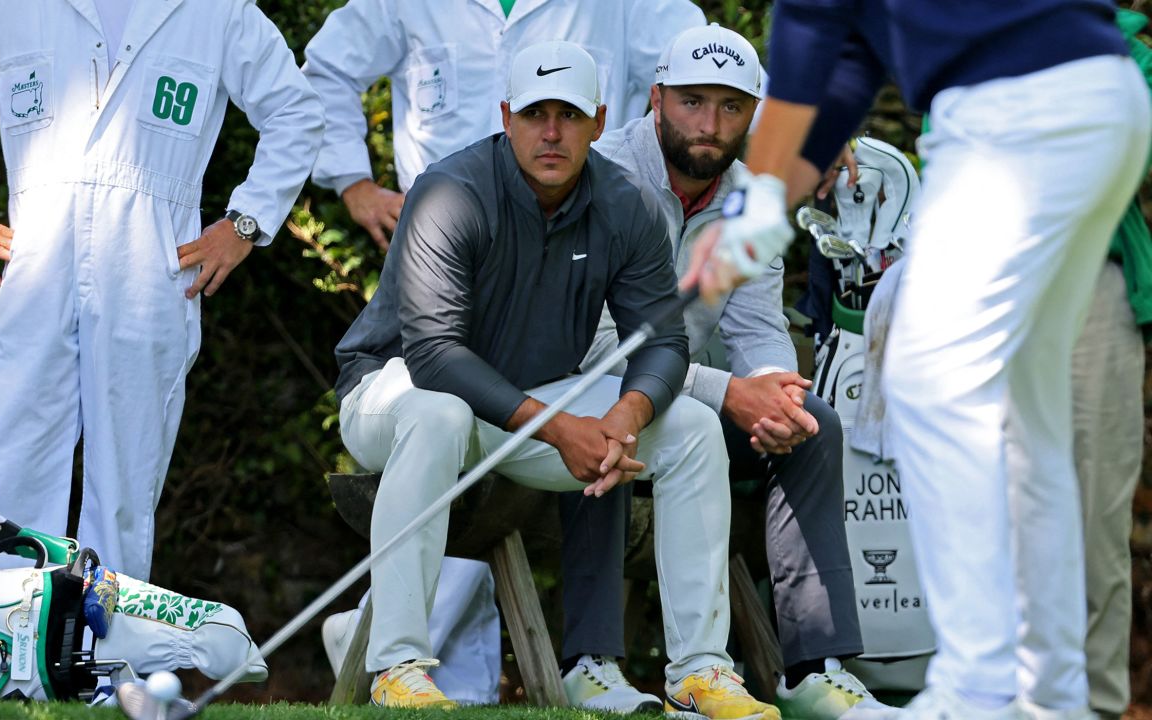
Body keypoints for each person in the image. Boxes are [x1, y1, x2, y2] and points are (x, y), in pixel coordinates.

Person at [681, 2, 1151, 718]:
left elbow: (809, 27)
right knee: (1031, 418)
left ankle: (978, 691)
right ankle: (1051, 698)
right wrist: (767, 200)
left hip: (1013, 112)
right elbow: (848, 70)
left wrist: (758, 201)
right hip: (1096, 103)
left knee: (928, 382)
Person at [333, 41, 777, 719]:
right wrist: (558, 425)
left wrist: (627, 414)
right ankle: (398, 666)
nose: (550, 132)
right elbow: (433, 356)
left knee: (686, 426)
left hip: (533, 404)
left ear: (599, 122)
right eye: (535, 113)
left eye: (568, 115)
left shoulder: (621, 204)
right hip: (395, 395)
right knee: (441, 414)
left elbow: (659, 341)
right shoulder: (452, 191)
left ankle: (699, 672)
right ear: (506, 115)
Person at [0, 0, 324, 581]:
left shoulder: (219, 10)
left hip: (150, 268)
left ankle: (100, 660)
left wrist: (246, 222)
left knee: (125, 485)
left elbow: (295, 110)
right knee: (4, 468)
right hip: (36, 260)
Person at [585, 23, 894, 720]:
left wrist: (779, 398)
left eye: (730, 107)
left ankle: (814, 671)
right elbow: (596, 347)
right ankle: (615, 664)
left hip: (689, 393)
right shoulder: (603, 177)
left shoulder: (749, 196)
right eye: (692, 102)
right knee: (685, 412)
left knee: (813, 424)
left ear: (755, 114)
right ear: (657, 98)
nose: (709, 124)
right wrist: (732, 392)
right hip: (594, 397)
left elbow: (756, 324)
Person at [1074, 11, 1152, 718]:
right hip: (990, 291)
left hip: (1095, 285)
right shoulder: (973, 42)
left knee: (1095, 518)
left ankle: (1097, 706)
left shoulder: (1131, 53)